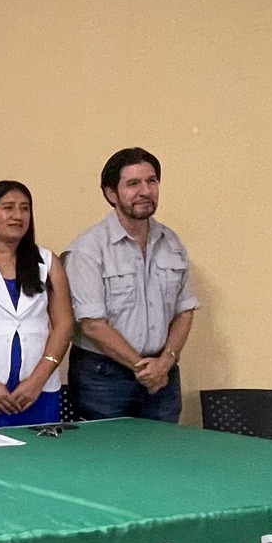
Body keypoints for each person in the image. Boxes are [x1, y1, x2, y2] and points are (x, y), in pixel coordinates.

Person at [65, 147, 198, 423]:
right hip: (104, 378)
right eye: (133, 183)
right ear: (111, 194)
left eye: (152, 181)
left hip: (163, 374)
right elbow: (92, 324)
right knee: (107, 450)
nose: (145, 191)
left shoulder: (171, 243)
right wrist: (143, 368)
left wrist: (165, 362)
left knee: (162, 448)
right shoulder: (88, 249)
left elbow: (184, 311)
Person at [0, 180, 72, 428]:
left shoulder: (48, 261)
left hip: (37, 391)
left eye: (25, 208)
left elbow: (64, 324)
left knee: (38, 452)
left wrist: (38, 380)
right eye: (8, 208)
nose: (18, 216)